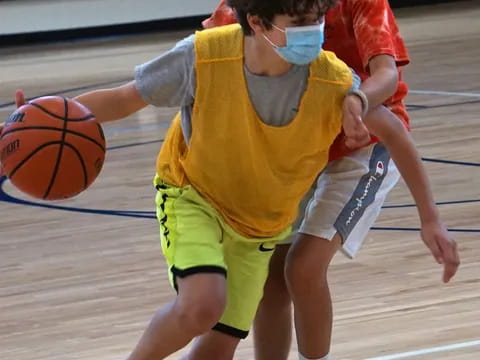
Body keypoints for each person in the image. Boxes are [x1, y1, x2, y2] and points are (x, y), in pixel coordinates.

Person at [1, 0, 373, 359]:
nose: (314, 31)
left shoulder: (332, 80)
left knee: (217, 349)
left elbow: (393, 130)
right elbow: (124, 99)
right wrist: (42, 121)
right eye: (300, 23)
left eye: (318, 20)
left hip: (260, 223)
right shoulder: (203, 55)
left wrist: (427, 218)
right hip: (194, 195)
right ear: (257, 22)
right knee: (203, 304)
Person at [203, 1, 460, 360]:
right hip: (299, 144)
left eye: (316, 19)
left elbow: (387, 80)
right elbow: (203, 69)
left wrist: (430, 218)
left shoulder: (356, 14)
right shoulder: (241, 12)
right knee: (270, 279)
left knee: (304, 267)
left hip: (365, 143)